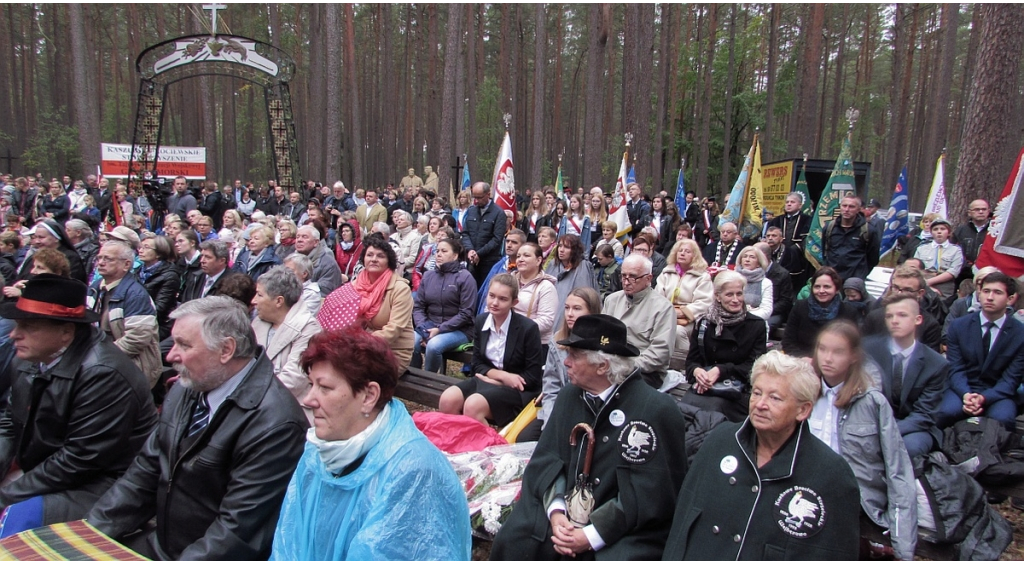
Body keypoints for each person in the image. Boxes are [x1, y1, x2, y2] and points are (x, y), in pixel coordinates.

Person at [87, 297, 308, 560]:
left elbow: (235, 533)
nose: (170, 356)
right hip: (162, 546)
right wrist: (89, 535)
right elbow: (144, 473)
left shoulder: (276, 424)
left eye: (184, 345)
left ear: (226, 350)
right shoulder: (186, 387)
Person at [491, 314, 689, 560]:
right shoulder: (569, 396)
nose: (566, 363)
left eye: (574, 355)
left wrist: (593, 534)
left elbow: (652, 495)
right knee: (517, 540)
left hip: (625, 529)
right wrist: (557, 513)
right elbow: (547, 460)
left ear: (603, 365)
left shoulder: (655, 410)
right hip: (563, 517)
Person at [271, 327, 469, 560]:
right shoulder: (318, 452)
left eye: (324, 388)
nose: (309, 399)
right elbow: (289, 543)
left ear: (368, 396)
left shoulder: (413, 472)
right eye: (311, 384)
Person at [663, 350, 860, 560]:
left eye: (774, 398)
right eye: (756, 393)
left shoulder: (831, 474)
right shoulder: (720, 440)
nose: (760, 404)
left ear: (803, 410)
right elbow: (683, 523)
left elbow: (835, 552)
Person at [0, 275, 157, 537]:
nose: (15, 334)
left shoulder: (104, 373)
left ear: (66, 332)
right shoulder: (30, 357)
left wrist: (6, 494)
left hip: (106, 485)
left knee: (15, 521)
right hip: (47, 469)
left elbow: (80, 460)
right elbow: (9, 423)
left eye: (29, 326)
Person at [809, 320, 917, 560]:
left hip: (856, 496)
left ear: (854, 356)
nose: (827, 358)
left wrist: (903, 544)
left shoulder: (872, 402)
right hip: (808, 487)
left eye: (837, 352)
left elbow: (897, 469)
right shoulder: (806, 394)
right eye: (822, 349)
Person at [438, 274, 544, 426]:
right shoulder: (481, 321)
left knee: (473, 405)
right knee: (447, 400)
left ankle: (486, 447)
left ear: (514, 302)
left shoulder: (528, 328)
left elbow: (533, 377)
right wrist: (501, 376)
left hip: (517, 391)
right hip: (487, 380)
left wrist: (502, 382)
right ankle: (458, 443)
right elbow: (476, 363)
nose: (494, 302)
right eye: (492, 296)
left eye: (502, 299)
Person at [862, 294, 948, 458]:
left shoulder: (936, 364)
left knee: (906, 449)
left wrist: (888, 431)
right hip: (871, 423)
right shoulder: (868, 349)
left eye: (902, 315)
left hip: (914, 428)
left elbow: (925, 414)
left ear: (918, 319)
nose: (894, 320)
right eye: (889, 316)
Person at [937, 271, 1024, 430]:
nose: (990, 297)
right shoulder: (959, 326)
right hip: (961, 389)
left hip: (997, 393)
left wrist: (984, 398)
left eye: (997, 292)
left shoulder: (1020, 333)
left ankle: (992, 454)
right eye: (986, 291)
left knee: (1003, 419)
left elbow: (1011, 379)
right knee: (945, 412)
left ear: (1010, 299)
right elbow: (955, 368)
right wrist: (966, 395)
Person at [317, 234, 415, 371]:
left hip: (392, 351)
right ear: (363, 259)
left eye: (380, 256)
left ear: (389, 261)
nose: (374, 259)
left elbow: (394, 329)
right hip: (360, 348)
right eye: (370, 255)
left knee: (350, 374)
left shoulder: (400, 289)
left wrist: (360, 341)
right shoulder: (356, 284)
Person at [679, 270, 768, 421]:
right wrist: (697, 372)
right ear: (718, 296)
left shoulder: (756, 325)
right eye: (729, 294)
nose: (736, 300)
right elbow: (692, 361)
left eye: (739, 294)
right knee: (684, 411)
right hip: (705, 386)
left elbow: (755, 367)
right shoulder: (705, 324)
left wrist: (721, 370)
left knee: (710, 414)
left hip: (736, 391)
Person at [518, 287, 602, 443]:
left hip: (587, 413)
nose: (570, 314)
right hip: (558, 409)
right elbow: (551, 386)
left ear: (592, 312)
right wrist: (551, 420)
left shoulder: (602, 345)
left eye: (577, 309)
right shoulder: (557, 340)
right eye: (567, 308)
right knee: (525, 438)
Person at [251, 266, 321, 422]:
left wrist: (249, 395)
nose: (253, 301)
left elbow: (294, 379)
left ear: (278, 301)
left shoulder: (309, 329)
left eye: (259, 295)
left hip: (288, 411)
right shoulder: (258, 322)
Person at [89, 241, 162, 388]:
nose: (101, 263)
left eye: (108, 259)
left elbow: (137, 338)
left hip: (131, 368)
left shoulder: (135, 294)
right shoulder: (95, 288)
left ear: (126, 265)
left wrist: (100, 355)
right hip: (101, 361)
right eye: (99, 258)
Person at [602, 254, 676, 387]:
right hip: (611, 364)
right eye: (623, 276)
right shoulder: (612, 300)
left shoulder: (663, 308)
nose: (626, 281)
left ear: (648, 279)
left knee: (615, 386)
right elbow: (601, 336)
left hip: (645, 371)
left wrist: (626, 366)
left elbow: (660, 352)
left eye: (633, 277)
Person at [412, 239, 477, 373]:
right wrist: (424, 328)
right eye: (437, 251)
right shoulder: (428, 276)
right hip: (429, 326)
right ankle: (414, 375)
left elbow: (466, 313)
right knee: (411, 341)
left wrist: (439, 330)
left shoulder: (465, 278)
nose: (438, 254)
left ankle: (429, 380)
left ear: (455, 256)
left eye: (444, 251)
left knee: (434, 345)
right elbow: (418, 307)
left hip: (460, 330)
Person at [654, 239, 713, 369]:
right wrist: (667, 312)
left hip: (690, 320)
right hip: (666, 314)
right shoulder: (666, 272)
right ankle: (660, 363)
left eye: (687, 251)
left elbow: (704, 302)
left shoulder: (703, 276)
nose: (682, 253)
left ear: (695, 255)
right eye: (680, 251)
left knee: (678, 331)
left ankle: (686, 365)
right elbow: (657, 297)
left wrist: (682, 312)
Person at [861, 265, 944, 352]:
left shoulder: (930, 325)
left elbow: (929, 361)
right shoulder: (874, 317)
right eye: (896, 288)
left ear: (920, 293)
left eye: (907, 290)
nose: (900, 294)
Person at [782, 267, 860, 358]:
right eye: (817, 287)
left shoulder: (848, 312)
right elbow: (788, 341)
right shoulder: (800, 307)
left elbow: (853, 345)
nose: (821, 291)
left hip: (834, 362)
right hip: (803, 362)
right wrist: (803, 358)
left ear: (837, 289)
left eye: (827, 287)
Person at [823, 194, 880, 281]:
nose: (846, 210)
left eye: (851, 207)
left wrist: (862, 273)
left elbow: (873, 258)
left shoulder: (868, 230)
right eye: (844, 206)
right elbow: (825, 251)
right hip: (832, 277)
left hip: (855, 278)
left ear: (858, 209)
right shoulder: (829, 228)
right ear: (840, 207)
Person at [460, 182, 507, 287]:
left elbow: (497, 239)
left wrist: (479, 253)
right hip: (471, 259)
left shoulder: (498, 213)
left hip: (489, 261)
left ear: (488, 194)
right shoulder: (471, 211)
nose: (476, 201)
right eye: (474, 197)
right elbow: (465, 233)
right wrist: (470, 250)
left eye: (479, 197)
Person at [512, 242, 558, 348]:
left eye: (526, 255)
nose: (520, 259)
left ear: (538, 260)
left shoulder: (546, 287)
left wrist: (513, 327)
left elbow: (546, 322)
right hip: (507, 339)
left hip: (535, 344)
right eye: (518, 256)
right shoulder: (509, 281)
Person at [546, 233, 597, 328]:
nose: (561, 250)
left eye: (566, 247)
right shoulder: (553, 265)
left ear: (574, 250)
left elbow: (584, 294)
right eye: (560, 246)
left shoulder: (583, 266)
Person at [138, 235, 181, 341]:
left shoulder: (170, 276)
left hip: (158, 325)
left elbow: (160, 308)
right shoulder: (137, 271)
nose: (141, 250)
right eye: (140, 247)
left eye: (146, 247)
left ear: (158, 253)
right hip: (137, 320)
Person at [18, 219, 86, 283]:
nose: (36, 241)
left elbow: (67, 286)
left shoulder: (70, 258)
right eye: (35, 237)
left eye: (41, 237)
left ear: (56, 238)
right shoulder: (34, 256)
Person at [913, 217, 963, 301]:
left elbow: (953, 271)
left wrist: (929, 283)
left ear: (949, 232)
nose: (939, 232)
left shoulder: (956, 250)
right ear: (931, 232)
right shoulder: (921, 248)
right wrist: (925, 284)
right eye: (935, 229)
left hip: (944, 284)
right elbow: (915, 269)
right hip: (923, 281)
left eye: (943, 229)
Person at [294, 224, 341, 297]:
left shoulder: (328, 264)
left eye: (304, 237)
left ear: (316, 242)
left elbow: (323, 292)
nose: (299, 240)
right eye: (297, 237)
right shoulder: (290, 260)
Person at [952, 199, 990, 284]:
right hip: (963, 275)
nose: (981, 212)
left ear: (988, 211)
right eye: (977, 209)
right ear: (969, 212)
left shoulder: (994, 231)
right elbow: (953, 251)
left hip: (988, 274)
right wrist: (968, 266)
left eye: (984, 209)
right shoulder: (961, 230)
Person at [735, 246, 774, 320]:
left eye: (752, 257)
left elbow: (766, 310)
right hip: (730, 321)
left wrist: (745, 316)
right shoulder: (731, 279)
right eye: (745, 256)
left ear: (759, 263)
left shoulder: (766, 283)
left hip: (754, 321)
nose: (747, 260)